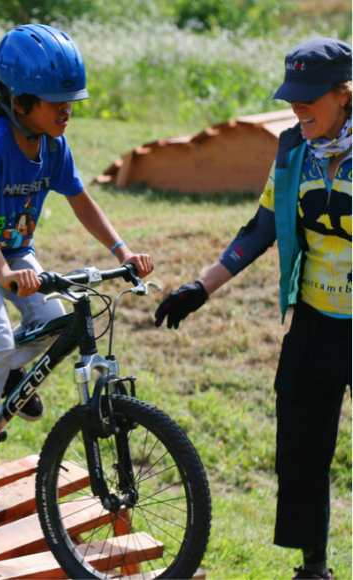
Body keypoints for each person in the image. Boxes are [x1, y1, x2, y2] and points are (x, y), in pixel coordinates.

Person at [0, 24, 152, 501]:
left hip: (12, 252)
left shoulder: (53, 144)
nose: (67, 109)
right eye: (56, 101)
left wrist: (122, 251)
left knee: (56, 324)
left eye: (72, 100)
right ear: (19, 101)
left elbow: (82, 200)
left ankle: (8, 374)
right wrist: (5, 274)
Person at [154, 37, 352, 580]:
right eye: (294, 96)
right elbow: (262, 227)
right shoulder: (293, 149)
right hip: (315, 321)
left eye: (311, 97)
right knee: (301, 450)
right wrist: (202, 287)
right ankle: (314, 568)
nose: (298, 107)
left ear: (344, 94)